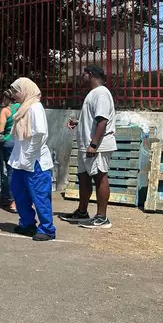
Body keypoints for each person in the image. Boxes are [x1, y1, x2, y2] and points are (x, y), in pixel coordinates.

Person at [60, 66, 116, 229]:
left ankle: (102, 217)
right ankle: (82, 211)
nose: (80, 76)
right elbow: (94, 119)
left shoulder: (101, 93)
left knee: (100, 177)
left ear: (90, 74)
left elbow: (103, 121)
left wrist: (93, 144)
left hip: (97, 145)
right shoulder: (93, 94)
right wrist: (78, 122)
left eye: (82, 74)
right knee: (84, 177)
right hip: (87, 145)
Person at [8, 78, 56, 241]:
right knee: (19, 193)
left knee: (40, 196)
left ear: (25, 90)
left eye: (16, 90)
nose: (14, 94)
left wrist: (29, 157)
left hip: (35, 161)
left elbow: (39, 134)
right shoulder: (23, 108)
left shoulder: (35, 107)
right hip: (20, 161)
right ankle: (27, 224)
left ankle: (47, 229)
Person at [0, 90, 19, 212]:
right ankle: (20, 200)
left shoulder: (5, 110)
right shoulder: (22, 107)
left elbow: (0, 130)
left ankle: (11, 200)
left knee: (8, 171)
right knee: (19, 171)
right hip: (21, 142)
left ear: (6, 98)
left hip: (8, 141)